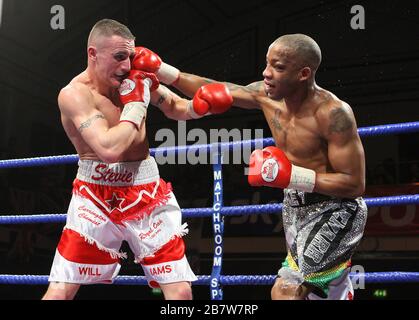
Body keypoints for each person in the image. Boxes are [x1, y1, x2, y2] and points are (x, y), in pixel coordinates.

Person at [134, 34, 368, 300]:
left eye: (278, 68)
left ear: (304, 73)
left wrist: (292, 176)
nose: (267, 74)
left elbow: (354, 184)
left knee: (286, 292)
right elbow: (215, 89)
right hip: (294, 206)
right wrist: (163, 71)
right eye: (267, 64)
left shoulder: (333, 113)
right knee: (322, 293)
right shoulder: (265, 94)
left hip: (335, 210)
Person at [42, 19, 233, 300]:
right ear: (92, 54)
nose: (126, 66)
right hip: (94, 196)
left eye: (130, 57)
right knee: (61, 291)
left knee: (180, 291)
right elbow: (108, 149)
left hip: (147, 193)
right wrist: (134, 104)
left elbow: (176, 107)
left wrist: (200, 108)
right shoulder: (74, 95)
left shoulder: (135, 78)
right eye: (118, 57)